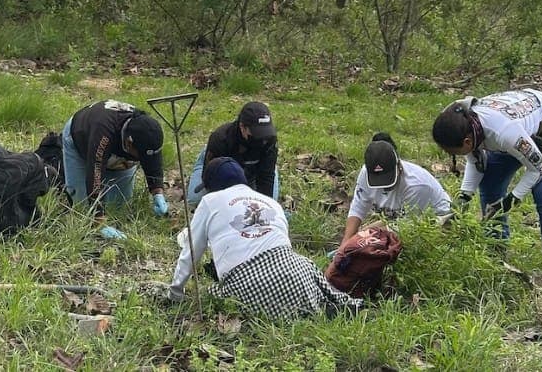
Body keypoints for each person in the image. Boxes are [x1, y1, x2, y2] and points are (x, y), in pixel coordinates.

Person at [169, 157, 363, 319]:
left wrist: (176, 292)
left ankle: (291, 313)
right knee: (305, 271)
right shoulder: (271, 203)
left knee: (213, 295)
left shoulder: (210, 202)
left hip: (250, 281)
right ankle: (326, 306)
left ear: (214, 187)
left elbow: (191, 250)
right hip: (298, 271)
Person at [431, 89, 542, 284]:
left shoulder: (503, 132)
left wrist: (511, 200)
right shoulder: (459, 121)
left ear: (467, 141)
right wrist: (464, 197)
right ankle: (496, 252)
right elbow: (476, 161)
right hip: (520, 132)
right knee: (490, 183)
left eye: (454, 152)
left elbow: (538, 168)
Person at [62, 99, 168, 239]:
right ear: (129, 143)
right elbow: (95, 171)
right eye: (140, 156)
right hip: (81, 142)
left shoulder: (147, 134)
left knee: (119, 208)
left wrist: (157, 192)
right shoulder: (103, 132)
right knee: (83, 210)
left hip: (117, 155)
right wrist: (99, 221)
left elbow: (153, 161)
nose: (143, 159)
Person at [339, 133, 452, 247]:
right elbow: (358, 207)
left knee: (369, 243)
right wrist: (346, 241)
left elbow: (407, 229)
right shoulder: (366, 173)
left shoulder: (417, 186)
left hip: (432, 221)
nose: (384, 187)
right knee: (359, 238)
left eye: (387, 179)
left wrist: (361, 241)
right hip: (398, 217)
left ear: (398, 165)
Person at [187, 101, 279, 205]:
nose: (262, 139)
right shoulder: (221, 139)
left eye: (265, 133)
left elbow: (266, 178)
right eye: (257, 133)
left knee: (268, 203)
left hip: (256, 169)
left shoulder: (270, 139)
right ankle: (199, 164)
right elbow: (210, 179)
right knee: (195, 200)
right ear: (242, 127)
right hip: (220, 167)